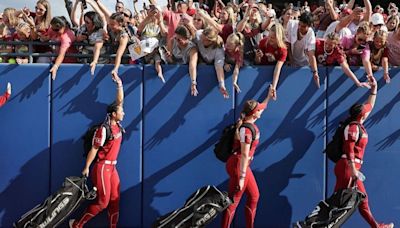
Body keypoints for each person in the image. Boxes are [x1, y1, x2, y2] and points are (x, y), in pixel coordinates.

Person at [334, 76, 394, 228]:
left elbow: (370, 105)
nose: (366, 110)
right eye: (364, 111)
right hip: (348, 167)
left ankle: (377, 226)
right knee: (342, 203)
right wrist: (353, 170)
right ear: (361, 115)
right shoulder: (353, 128)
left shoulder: (359, 123)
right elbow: (348, 149)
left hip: (351, 168)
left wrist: (374, 89)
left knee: (358, 201)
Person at [69, 73, 125, 228]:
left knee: (115, 199)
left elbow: (120, 101)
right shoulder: (104, 129)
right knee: (103, 202)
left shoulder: (117, 124)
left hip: (112, 168)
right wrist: (87, 167)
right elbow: (94, 149)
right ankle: (77, 225)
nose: (124, 113)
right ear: (114, 114)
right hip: (102, 168)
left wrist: (119, 84)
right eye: (121, 112)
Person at [222, 85, 274, 228]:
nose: (261, 110)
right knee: (234, 199)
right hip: (239, 164)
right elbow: (244, 154)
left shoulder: (250, 121)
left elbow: (262, 106)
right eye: (258, 109)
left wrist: (269, 96)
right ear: (253, 113)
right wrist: (242, 177)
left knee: (254, 196)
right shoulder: (246, 129)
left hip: (243, 165)